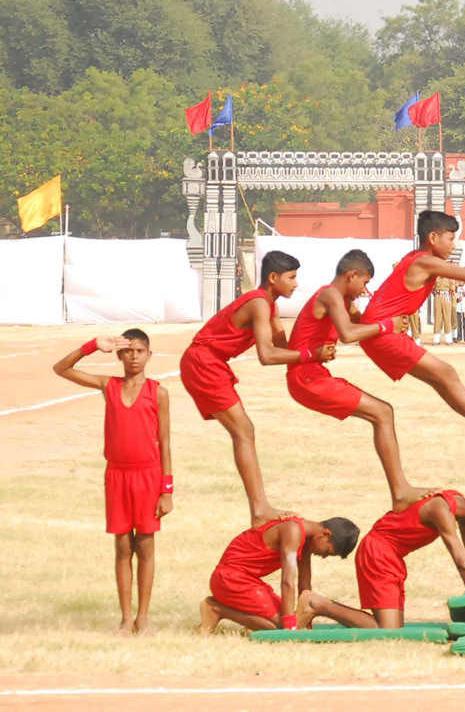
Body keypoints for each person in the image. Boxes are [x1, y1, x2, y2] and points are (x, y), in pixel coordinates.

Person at [358, 211, 465, 456]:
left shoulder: (417, 258)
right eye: (451, 239)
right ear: (433, 237)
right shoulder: (424, 261)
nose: (455, 245)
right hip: (383, 333)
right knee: (446, 374)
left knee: (441, 380)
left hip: (381, 332)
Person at [180, 250, 328, 525]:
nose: (296, 284)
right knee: (244, 431)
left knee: (244, 431)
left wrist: (321, 334)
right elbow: (268, 355)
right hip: (203, 362)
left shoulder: (269, 305)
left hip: (209, 362)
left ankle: (260, 508)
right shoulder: (260, 304)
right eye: (292, 277)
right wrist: (312, 354)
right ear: (273, 278)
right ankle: (260, 510)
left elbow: (286, 348)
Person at [286, 249, 433, 510]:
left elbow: (365, 324)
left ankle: (400, 491)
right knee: (383, 413)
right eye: (364, 283)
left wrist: (393, 321)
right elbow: (349, 333)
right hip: (307, 378)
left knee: (382, 414)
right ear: (352, 275)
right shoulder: (331, 295)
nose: (365, 290)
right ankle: (400, 492)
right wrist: (389, 325)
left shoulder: (341, 300)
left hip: (313, 375)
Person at [53, 329, 172, 635]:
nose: (134, 357)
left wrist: (167, 489)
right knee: (122, 547)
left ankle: (143, 617)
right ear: (119, 355)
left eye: (140, 351)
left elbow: (165, 443)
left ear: (149, 355)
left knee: (145, 546)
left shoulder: (158, 392)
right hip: (117, 475)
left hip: (148, 476)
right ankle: (125, 617)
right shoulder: (109, 386)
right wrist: (93, 346)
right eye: (128, 351)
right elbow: (61, 369)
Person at [295, 488, 465, 630]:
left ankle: (318, 604)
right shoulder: (441, 508)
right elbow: (461, 562)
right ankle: (317, 604)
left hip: (392, 556)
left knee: (395, 631)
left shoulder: (459, 508)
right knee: (386, 633)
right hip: (378, 551)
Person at [199, 515, 359, 634]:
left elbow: (304, 585)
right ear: (325, 535)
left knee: (289, 620)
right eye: (327, 552)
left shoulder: (307, 541)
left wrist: (306, 623)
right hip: (229, 578)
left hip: (246, 580)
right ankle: (217, 609)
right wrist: (290, 626)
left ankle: (220, 609)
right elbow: (287, 581)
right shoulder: (293, 530)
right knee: (281, 628)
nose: (323, 556)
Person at [433, 273, 456, 345]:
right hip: (438, 296)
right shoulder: (435, 277)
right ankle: (436, 339)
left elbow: (452, 289)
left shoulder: (449, 277)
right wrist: (437, 295)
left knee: (447, 317)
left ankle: (448, 339)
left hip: (446, 296)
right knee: (437, 318)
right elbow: (432, 289)